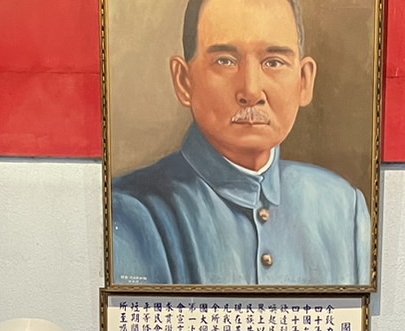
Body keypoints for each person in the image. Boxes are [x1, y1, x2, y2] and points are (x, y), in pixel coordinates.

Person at [111, 0, 370, 287]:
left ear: (304, 80)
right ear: (184, 81)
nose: (251, 90)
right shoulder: (132, 211)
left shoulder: (343, 208)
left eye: (273, 62)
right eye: (225, 61)